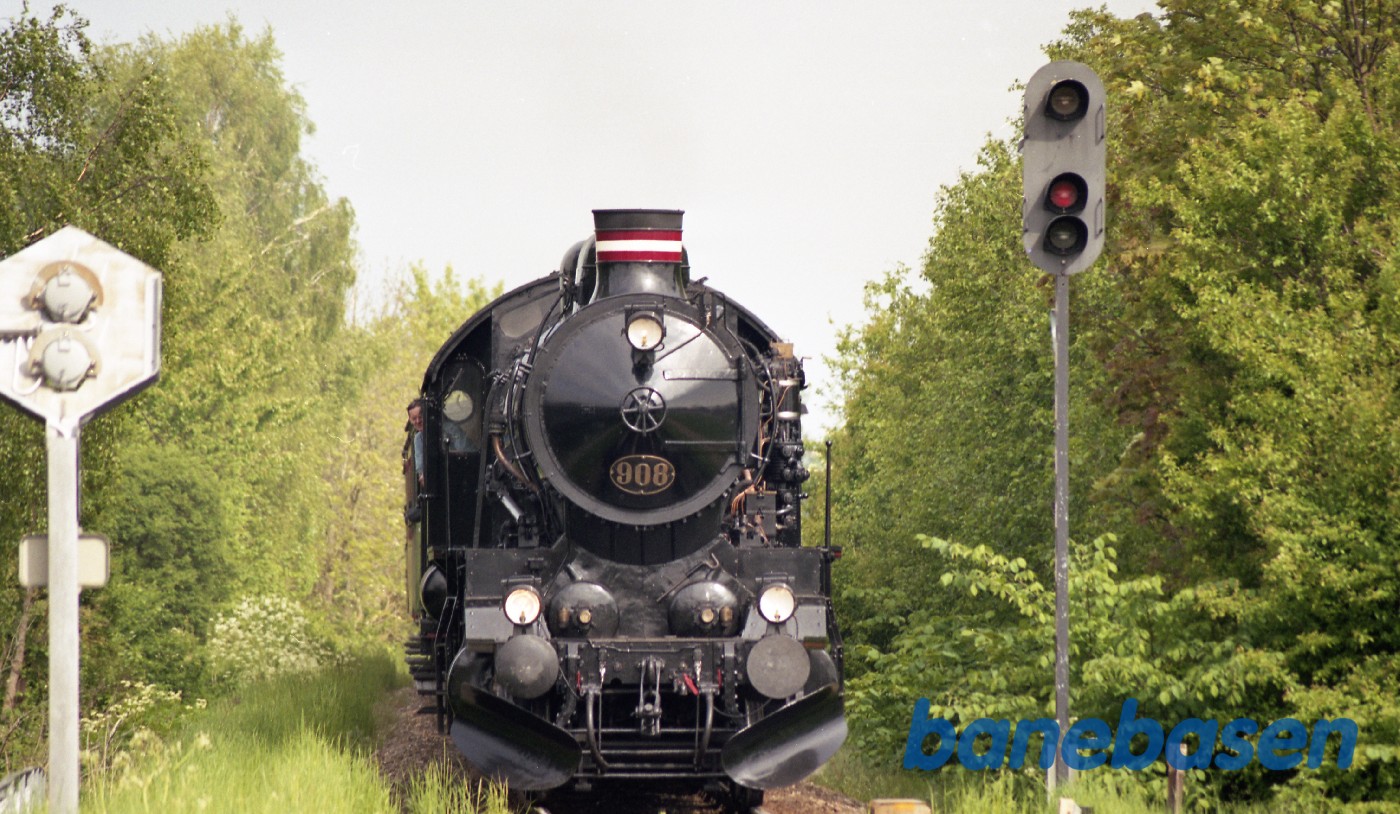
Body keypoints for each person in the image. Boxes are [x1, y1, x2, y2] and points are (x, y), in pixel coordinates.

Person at [407, 399, 425, 488]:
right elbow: (420, 468)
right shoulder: (418, 439)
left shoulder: (449, 429)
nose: (418, 421)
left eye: (420, 417)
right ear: (410, 420)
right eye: (414, 418)